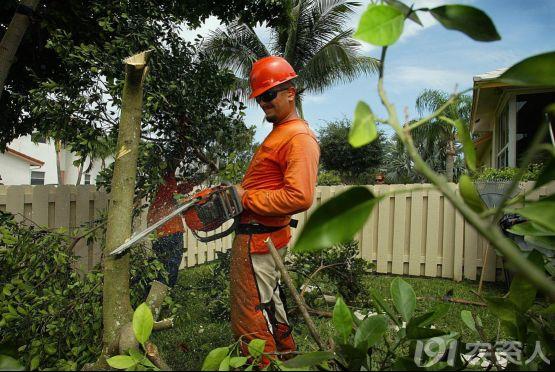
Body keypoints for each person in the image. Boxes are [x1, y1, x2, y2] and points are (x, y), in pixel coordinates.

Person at [231, 56, 320, 361]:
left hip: (258, 240)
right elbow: (266, 185)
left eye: (269, 95)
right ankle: (286, 354)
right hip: (260, 238)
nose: (264, 103)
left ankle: (262, 364)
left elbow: (299, 197)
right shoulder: (281, 132)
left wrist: (245, 199)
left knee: (251, 314)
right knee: (268, 303)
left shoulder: (298, 137)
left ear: (290, 92)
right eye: (260, 98)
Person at [147, 167, 192, 287]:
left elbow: (179, 190)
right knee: (171, 266)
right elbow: (176, 197)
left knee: (161, 265)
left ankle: (158, 291)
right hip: (171, 230)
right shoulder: (168, 179)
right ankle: (164, 293)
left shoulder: (157, 181)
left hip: (158, 231)